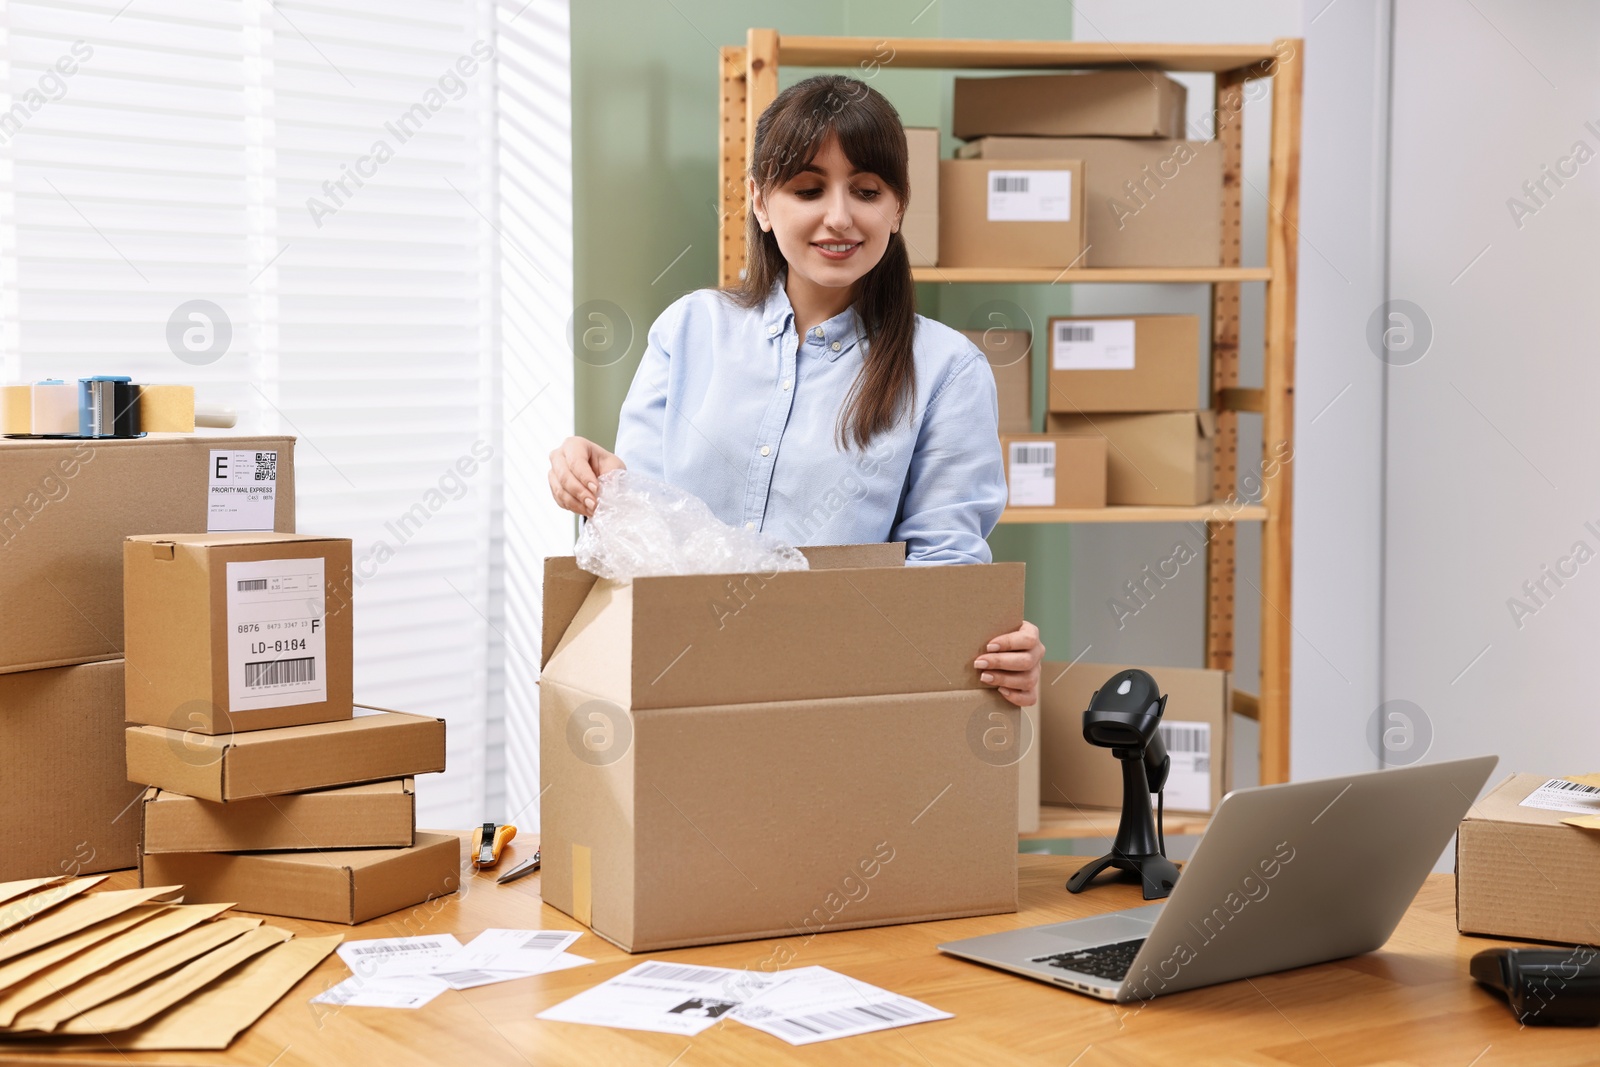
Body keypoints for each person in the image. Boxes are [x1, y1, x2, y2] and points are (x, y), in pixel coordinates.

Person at [549, 74, 1043, 707]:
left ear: (897, 207)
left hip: (840, 694)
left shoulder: (947, 368)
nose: (839, 217)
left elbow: (945, 570)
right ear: (760, 201)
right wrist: (597, 486)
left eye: (866, 190)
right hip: (676, 682)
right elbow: (643, 542)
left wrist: (992, 643)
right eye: (808, 189)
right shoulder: (690, 329)